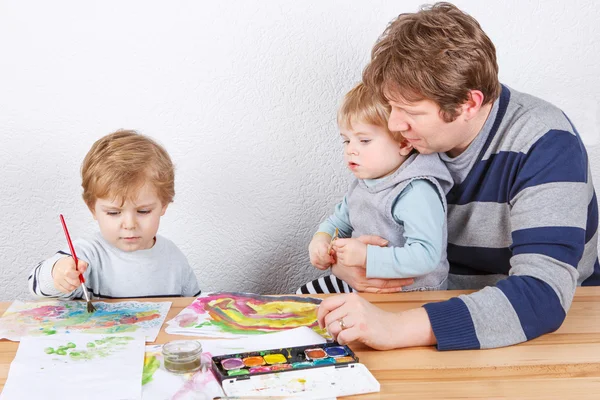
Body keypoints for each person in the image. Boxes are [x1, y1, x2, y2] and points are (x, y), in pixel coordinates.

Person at [317, 2, 599, 350]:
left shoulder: (547, 144)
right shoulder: (408, 140)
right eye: (392, 107)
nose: (393, 125)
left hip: (551, 329)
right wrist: (352, 265)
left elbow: (542, 294)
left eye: (410, 112)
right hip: (428, 311)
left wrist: (395, 328)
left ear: (468, 104)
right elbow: (380, 228)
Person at [298, 82, 452, 294]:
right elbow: (339, 222)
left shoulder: (416, 191)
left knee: (339, 319)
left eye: (364, 140)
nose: (351, 150)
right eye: (346, 141)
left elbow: (426, 255)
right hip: (364, 281)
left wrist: (366, 256)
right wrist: (322, 240)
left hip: (410, 294)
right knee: (304, 297)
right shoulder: (362, 184)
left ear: (404, 144)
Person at [28, 130, 201, 299]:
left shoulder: (173, 257)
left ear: (163, 205)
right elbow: (37, 286)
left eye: (143, 211)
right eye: (113, 212)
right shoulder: (87, 255)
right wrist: (58, 273)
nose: (129, 224)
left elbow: (194, 310)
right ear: (92, 209)